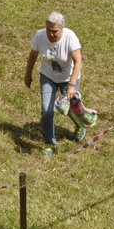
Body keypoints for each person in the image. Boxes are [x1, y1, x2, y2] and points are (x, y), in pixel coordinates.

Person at [24, 10, 83, 155]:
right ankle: (50, 143)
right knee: (47, 110)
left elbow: (78, 62)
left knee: (69, 108)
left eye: (55, 31)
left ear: (62, 28)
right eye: (48, 30)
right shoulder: (40, 36)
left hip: (69, 79)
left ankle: (80, 126)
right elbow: (32, 56)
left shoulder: (70, 37)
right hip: (48, 76)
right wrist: (28, 74)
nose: (51, 34)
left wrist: (72, 85)